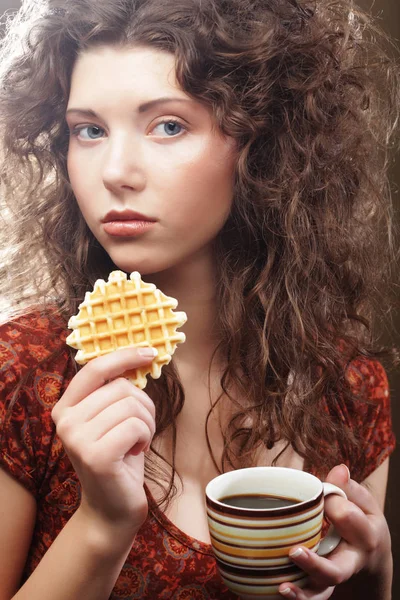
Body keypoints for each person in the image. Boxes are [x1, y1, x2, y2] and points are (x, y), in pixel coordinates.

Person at [0, 0, 398, 598]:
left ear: (259, 147)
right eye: (89, 130)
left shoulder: (347, 386)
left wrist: (376, 570)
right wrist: (102, 526)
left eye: (168, 125)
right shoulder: (20, 374)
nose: (115, 170)